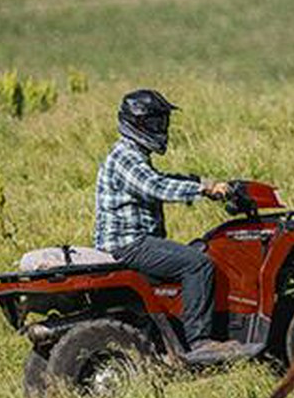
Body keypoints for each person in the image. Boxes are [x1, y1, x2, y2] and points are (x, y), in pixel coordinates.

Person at [93, 88, 251, 359]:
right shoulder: (125, 157)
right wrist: (203, 190)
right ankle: (200, 341)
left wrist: (203, 182)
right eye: (156, 121)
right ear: (138, 123)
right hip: (129, 246)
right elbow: (156, 186)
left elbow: (160, 177)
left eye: (162, 121)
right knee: (197, 264)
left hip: (133, 242)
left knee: (201, 251)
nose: (161, 127)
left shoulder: (133, 153)